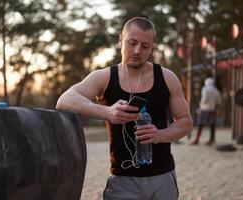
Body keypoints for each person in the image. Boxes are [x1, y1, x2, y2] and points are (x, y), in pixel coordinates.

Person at [56, 17, 193, 200]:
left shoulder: (167, 78)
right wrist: (108, 112)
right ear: (120, 39)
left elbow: (185, 122)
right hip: (122, 181)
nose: (137, 51)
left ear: (152, 47)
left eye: (145, 46)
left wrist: (161, 135)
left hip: (163, 179)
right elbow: (65, 100)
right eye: (132, 43)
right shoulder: (104, 77)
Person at [191, 77, 221, 145]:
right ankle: (211, 139)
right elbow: (219, 101)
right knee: (212, 125)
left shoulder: (205, 89)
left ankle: (197, 139)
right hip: (212, 109)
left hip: (204, 109)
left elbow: (204, 99)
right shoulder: (216, 90)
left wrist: (200, 104)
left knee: (200, 124)